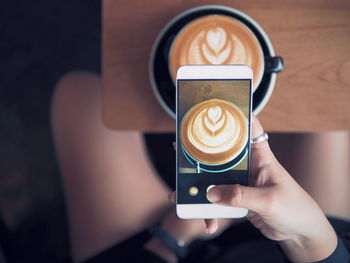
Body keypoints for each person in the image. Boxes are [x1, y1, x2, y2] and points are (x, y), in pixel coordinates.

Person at [51, 71, 350, 263]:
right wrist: (308, 234)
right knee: (333, 105)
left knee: (79, 96)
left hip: (158, 249)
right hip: (290, 250)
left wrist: (171, 239)